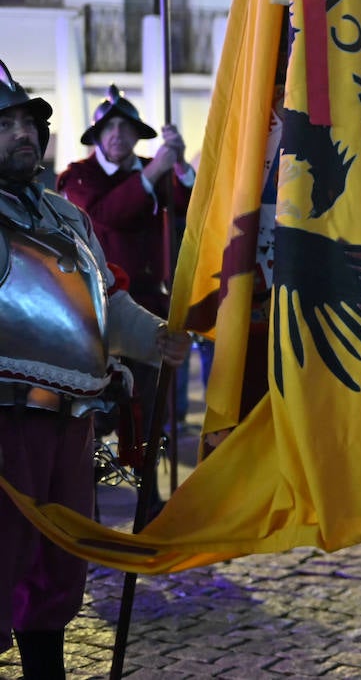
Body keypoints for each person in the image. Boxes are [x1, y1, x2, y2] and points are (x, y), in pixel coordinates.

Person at [0, 60, 190, 678]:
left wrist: (155, 338)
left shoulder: (67, 217)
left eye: (28, 122)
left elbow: (107, 301)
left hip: (74, 421)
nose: (23, 134)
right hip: (5, 421)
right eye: (5, 125)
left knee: (58, 566)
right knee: (1, 557)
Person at [55, 84, 195, 507]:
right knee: (92, 410)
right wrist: (153, 174)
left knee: (151, 411)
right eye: (109, 127)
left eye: (126, 126)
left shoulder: (162, 168)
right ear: (97, 137)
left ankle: (149, 496)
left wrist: (180, 163)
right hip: (92, 313)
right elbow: (103, 216)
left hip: (150, 305)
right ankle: (89, 502)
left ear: (138, 134)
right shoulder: (77, 177)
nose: (117, 134)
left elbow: (193, 204)